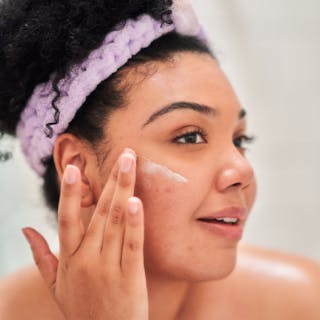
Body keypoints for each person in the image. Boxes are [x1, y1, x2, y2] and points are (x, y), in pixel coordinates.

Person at [0, 0, 319, 319]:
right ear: (78, 169)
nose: (242, 170)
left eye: (240, 140)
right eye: (189, 136)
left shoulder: (304, 301)